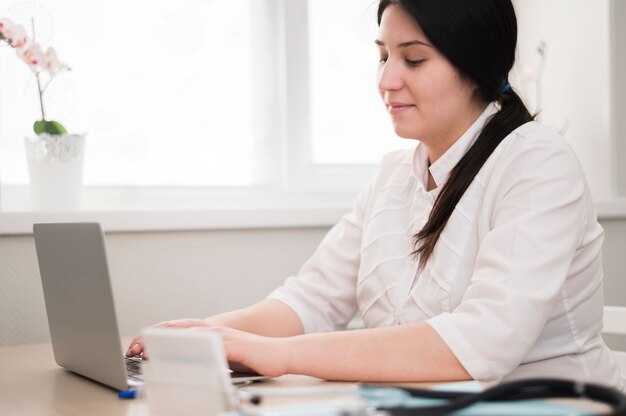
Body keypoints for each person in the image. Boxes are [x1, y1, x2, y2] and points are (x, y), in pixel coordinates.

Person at [127, 0, 624, 389]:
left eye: (412, 58)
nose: (386, 80)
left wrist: (274, 354)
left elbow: (482, 342)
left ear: (474, 63)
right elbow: (312, 299)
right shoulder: (393, 176)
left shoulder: (536, 164)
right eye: (383, 56)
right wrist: (204, 336)